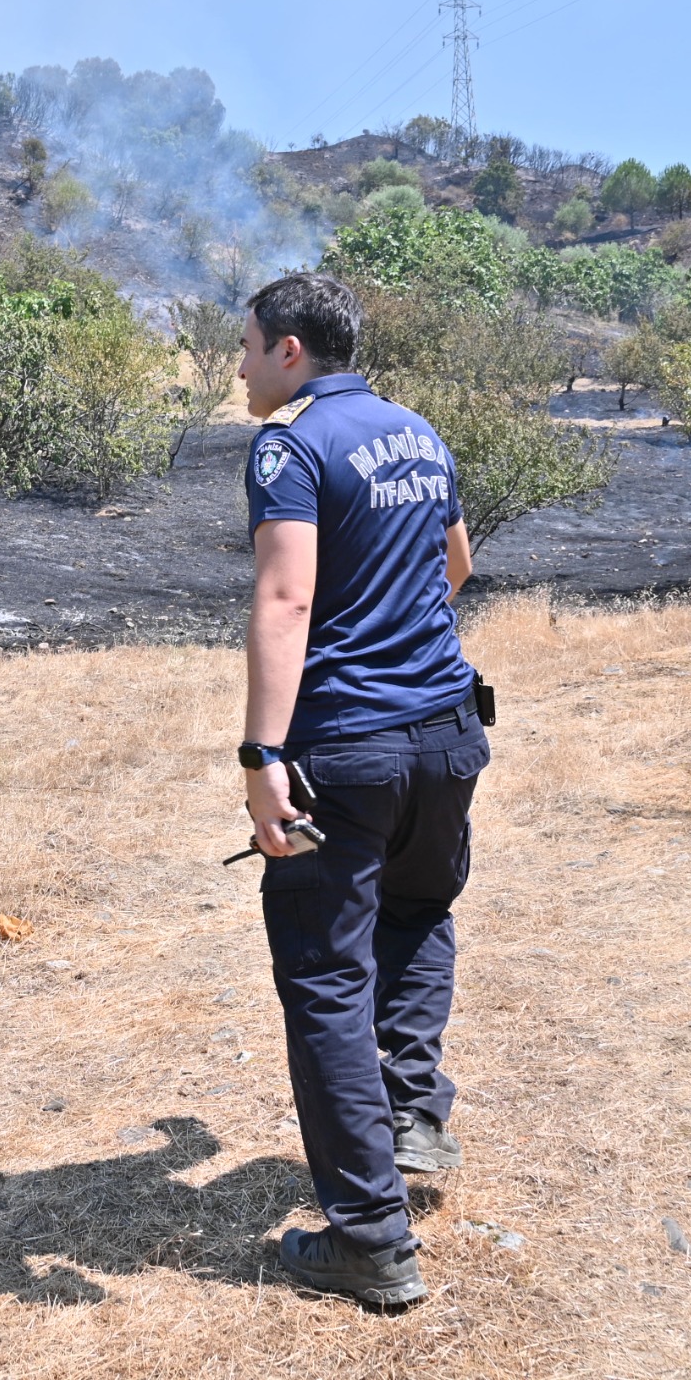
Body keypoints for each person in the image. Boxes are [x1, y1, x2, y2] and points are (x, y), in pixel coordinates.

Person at [234, 270, 487, 1310]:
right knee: (419, 909)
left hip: (347, 746)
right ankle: (413, 1110)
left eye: (245, 346)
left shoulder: (290, 445)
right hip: (446, 732)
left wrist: (260, 755)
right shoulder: (416, 433)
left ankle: (371, 1241)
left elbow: (286, 596)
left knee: (327, 975)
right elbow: (455, 564)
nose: (240, 366)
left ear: (290, 349)